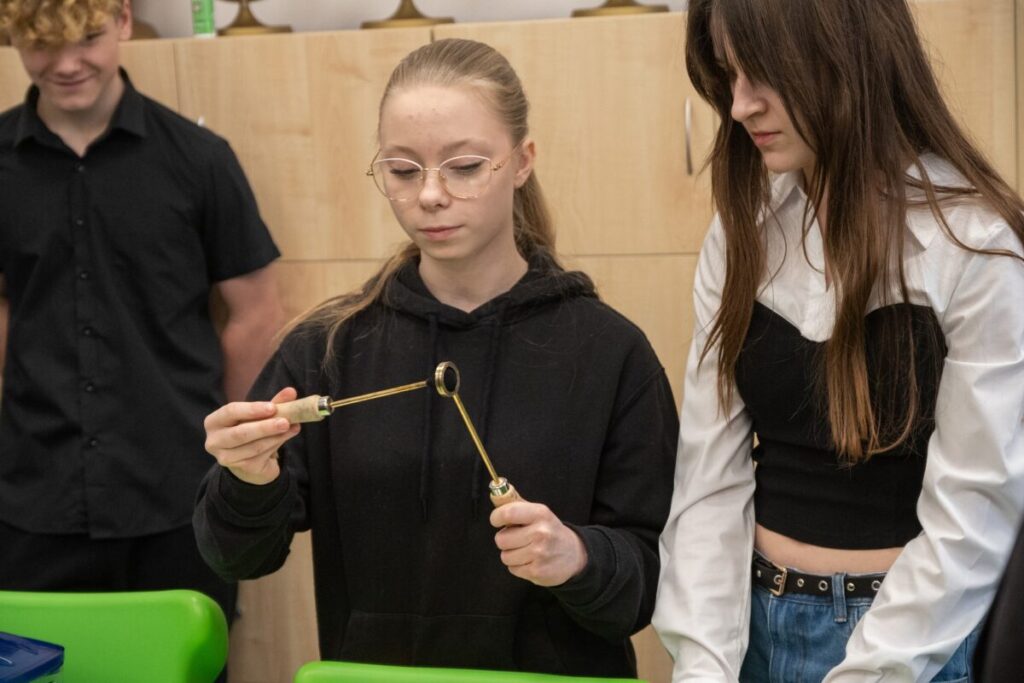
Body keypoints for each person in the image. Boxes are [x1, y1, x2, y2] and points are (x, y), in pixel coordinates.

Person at [193, 38, 677, 676]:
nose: (429, 196)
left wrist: (577, 559)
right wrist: (247, 479)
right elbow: (239, 558)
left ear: (523, 161)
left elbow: (645, 585)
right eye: (402, 170)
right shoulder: (328, 347)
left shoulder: (612, 353)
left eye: (466, 166)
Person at [652, 0, 1024, 681]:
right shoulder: (744, 231)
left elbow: (975, 510)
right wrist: (701, 662)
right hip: (754, 625)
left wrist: (871, 669)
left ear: (846, 56)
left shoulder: (975, 247)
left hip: (910, 644)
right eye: (729, 76)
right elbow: (709, 475)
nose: (739, 105)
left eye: (762, 73)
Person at [0, 0, 283, 632]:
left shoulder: (201, 158)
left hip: (179, 498)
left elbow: (255, 314)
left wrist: (234, 463)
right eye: (42, 44)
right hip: (31, 501)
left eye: (89, 39)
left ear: (124, 21)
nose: (68, 64)